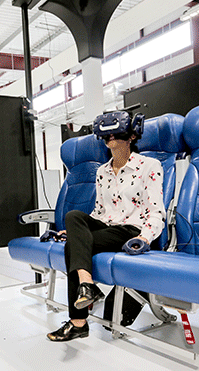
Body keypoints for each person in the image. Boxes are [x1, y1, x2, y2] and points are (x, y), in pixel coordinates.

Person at [47, 111, 165, 342]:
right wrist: (77, 229)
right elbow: (98, 212)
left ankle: (78, 322)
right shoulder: (102, 172)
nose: (111, 138)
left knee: (76, 245)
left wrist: (146, 238)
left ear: (131, 136)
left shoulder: (149, 166)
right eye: (107, 134)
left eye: (117, 133)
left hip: (131, 231)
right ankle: (86, 283)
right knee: (73, 217)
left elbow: (156, 211)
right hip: (106, 227)